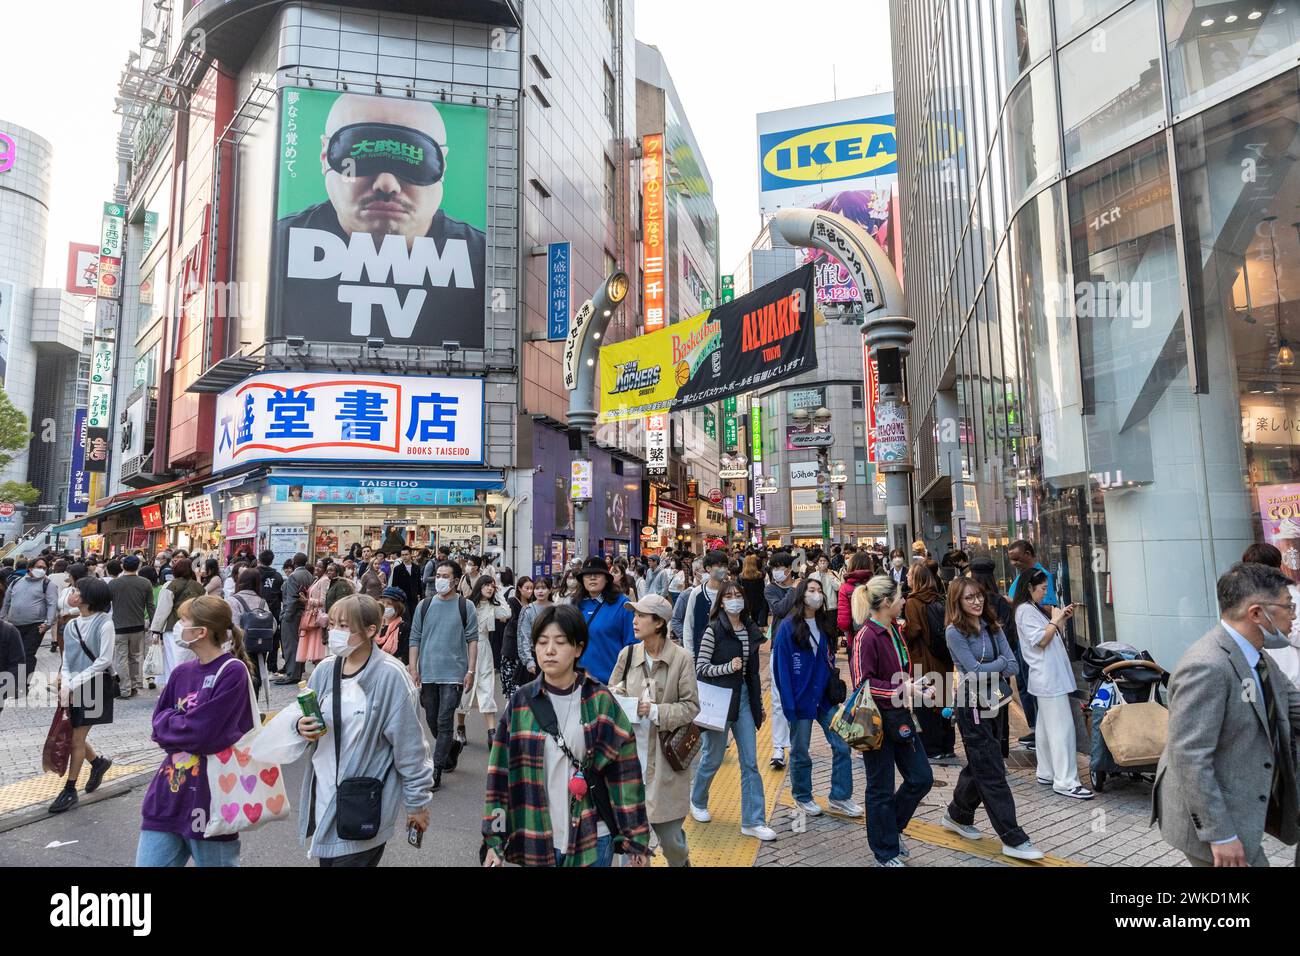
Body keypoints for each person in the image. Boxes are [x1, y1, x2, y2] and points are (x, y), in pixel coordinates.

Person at [273, 93, 487, 345]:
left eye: (411, 158)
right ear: (324, 156)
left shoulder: (485, 262)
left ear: (443, 165)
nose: (386, 184)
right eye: (363, 155)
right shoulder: (275, 250)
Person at [266, 594, 433, 866]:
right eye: (332, 624)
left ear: (370, 630)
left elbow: (411, 747)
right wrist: (300, 726)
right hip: (324, 799)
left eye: (343, 626)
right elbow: (300, 714)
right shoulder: (325, 670)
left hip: (362, 804)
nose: (334, 632)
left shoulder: (391, 676)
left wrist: (417, 804)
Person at [1153, 562, 1300, 867]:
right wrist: (1220, 835)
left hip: (1241, 806)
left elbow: (1294, 704)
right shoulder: (1207, 666)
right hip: (1211, 823)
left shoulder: (1257, 657)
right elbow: (1189, 756)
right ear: (1256, 613)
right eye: (1288, 606)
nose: (1294, 615)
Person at [482, 604, 651, 867]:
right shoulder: (521, 702)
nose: (549, 650)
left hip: (592, 837)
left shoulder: (599, 700)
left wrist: (636, 840)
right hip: (536, 835)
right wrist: (494, 839)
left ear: (578, 649)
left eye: (560, 642)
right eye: (542, 642)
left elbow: (625, 774)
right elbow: (499, 775)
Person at [136, 596, 257, 866]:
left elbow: (205, 734)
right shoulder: (181, 672)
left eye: (182, 620)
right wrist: (183, 725)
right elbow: (157, 726)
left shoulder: (232, 671)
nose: (178, 626)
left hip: (212, 799)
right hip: (166, 798)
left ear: (201, 631)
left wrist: (176, 723)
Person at [942, 578, 1043, 861]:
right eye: (969, 598)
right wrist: (995, 666)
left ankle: (958, 814)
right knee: (992, 771)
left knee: (984, 761)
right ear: (957, 602)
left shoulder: (992, 625)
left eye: (979, 596)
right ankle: (1013, 838)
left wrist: (988, 667)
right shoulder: (954, 632)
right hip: (971, 706)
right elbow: (974, 672)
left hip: (996, 700)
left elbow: (1013, 665)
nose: (976, 602)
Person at [608, 593, 700, 867]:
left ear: (659, 622)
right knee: (634, 847)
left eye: (641, 616)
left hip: (665, 763)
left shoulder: (682, 658)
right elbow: (611, 692)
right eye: (634, 615)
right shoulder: (627, 654)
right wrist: (619, 696)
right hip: (629, 758)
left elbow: (691, 706)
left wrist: (655, 710)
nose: (634, 621)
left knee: (671, 840)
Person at [850, 575, 934, 865]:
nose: (903, 601)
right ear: (886, 602)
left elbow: (899, 673)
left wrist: (913, 686)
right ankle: (884, 852)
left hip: (900, 715)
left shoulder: (894, 629)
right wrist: (902, 688)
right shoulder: (866, 636)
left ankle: (891, 830)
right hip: (875, 721)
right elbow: (862, 685)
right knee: (880, 787)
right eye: (900, 597)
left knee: (921, 778)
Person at [691, 579, 774, 841]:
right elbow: (700, 667)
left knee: (750, 761)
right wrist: (727, 667)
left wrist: (758, 703)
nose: (734, 600)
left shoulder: (749, 629)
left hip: (744, 698)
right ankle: (697, 800)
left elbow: (752, 673)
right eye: (728, 596)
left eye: (738, 595)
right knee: (713, 757)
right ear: (721, 602)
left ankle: (753, 820)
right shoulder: (713, 630)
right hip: (719, 700)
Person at [773, 578, 862, 820]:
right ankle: (802, 796)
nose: (817, 594)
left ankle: (840, 796)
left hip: (824, 698)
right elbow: (781, 669)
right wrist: (788, 704)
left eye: (819, 590)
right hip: (800, 700)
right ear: (801, 596)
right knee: (801, 750)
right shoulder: (788, 627)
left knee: (842, 744)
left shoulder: (824, 624)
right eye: (811, 590)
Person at [1012, 569, 1090, 798]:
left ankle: (1046, 771)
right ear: (1029, 587)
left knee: (1047, 728)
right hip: (1047, 678)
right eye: (1043, 588)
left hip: (1048, 676)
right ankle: (1065, 780)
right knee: (1061, 729)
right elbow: (1041, 640)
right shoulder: (1025, 611)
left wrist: (1060, 619)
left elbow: (1049, 635)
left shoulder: (1031, 609)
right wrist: (1055, 620)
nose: (1045, 593)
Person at [49, 577, 118, 814]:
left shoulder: (105, 623)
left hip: (96, 685)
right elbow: (67, 659)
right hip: (74, 685)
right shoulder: (71, 625)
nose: (72, 594)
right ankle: (98, 763)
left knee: (76, 738)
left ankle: (70, 789)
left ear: (88, 598)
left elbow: (104, 660)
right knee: (72, 731)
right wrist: (66, 682)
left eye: (77, 591)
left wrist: (73, 683)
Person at [408, 560, 478, 789]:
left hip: (454, 674)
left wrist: (470, 671)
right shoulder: (424, 605)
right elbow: (415, 637)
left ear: (455, 581)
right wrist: (413, 667)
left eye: (445, 576)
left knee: (444, 720)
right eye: (438, 575)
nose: (440, 579)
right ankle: (452, 747)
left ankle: (436, 769)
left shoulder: (466, 606)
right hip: (428, 672)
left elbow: (472, 640)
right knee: (431, 719)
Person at [900, 561, 955, 761]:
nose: (907, 577)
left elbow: (914, 630)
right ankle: (948, 745)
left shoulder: (913, 601)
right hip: (943, 659)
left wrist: (902, 629)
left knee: (926, 702)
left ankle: (932, 748)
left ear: (917, 579)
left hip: (923, 659)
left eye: (910, 575)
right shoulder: (939, 597)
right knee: (944, 701)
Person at [1007, 540, 1055, 750]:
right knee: (1024, 685)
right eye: (1011, 559)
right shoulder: (1021, 577)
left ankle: (1041, 730)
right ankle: (1035, 728)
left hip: (1034, 641)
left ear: (1028, 553)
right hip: (1020, 640)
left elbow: (1049, 609)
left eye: (1017, 558)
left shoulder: (1042, 577)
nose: (1014, 563)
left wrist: (1015, 605)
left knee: (1032, 685)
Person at [457, 574, 510, 747]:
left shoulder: (493, 606)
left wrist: (500, 594)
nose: (490, 588)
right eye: (487, 585)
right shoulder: (467, 604)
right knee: (465, 689)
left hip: (485, 649)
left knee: (487, 688)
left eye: (492, 586)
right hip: (466, 648)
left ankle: (491, 733)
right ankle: (460, 728)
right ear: (479, 586)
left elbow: (507, 613)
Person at [1242, 543, 1300, 687]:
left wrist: (1277, 628)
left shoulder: (1290, 595)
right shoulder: (1245, 595)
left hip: (1289, 676)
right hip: (1257, 675)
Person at [574, 557, 636, 685]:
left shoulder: (623, 605)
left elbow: (633, 645)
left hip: (611, 682)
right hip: (579, 682)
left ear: (607, 578)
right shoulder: (575, 604)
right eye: (587, 575)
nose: (592, 578)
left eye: (597, 574)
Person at [763, 551, 799, 769]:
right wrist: (794, 589)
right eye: (773, 567)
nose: (776, 571)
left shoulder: (802, 585)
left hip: (800, 647)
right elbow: (779, 609)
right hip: (779, 646)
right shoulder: (771, 589)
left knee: (797, 696)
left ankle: (796, 744)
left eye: (779, 567)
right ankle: (778, 747)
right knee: (777, 699)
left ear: (789, 568)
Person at [1, 555, 56, 695]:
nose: (42, 570)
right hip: (14, 625)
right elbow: (6, 602)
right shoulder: (16, 582)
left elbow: (52, 604)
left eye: (44, 568)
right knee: (13, 655)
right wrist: (2, 618)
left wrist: (48, 623)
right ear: (30, 568)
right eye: (39, 567)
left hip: (35, 626)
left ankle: (22, 686)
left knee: (27, 655)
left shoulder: (48, 584)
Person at [150, 559, 205, 683]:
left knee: (172, 661)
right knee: (190, 661)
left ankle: (174, 686)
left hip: (173, 628)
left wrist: (156, 630)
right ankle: (188, 686)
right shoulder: (199, 587)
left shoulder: (169, 586)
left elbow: (162, 610)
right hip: (194, 629)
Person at [109, 555, 156, 700]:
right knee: (135, 657)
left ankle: (125, 689)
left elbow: (106, 605)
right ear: (138, 566)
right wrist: (154, 624)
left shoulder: (113, 584)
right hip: (138, 626)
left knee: (121, 658)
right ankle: (135, 685)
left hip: (119, 626)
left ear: (122, 566)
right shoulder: (145, 583)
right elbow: (150, 606)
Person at [227, 569, 273, 699]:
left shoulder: (233, 600)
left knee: (237, 683)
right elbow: (272, 625)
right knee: (254, 682)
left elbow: (231, 629)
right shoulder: (262, 601)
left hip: (238, 649)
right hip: (259, 650)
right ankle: (253, 708)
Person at [274, 553, 315, 685]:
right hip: (304, 613)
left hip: (292, 615)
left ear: (294, 562)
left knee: (291, 645)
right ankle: (298, 669)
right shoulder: (310, 576)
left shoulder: (293, 576)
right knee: (300, 643)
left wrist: (286, 616)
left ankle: (292, 674)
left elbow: (292, 600)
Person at [682, 550, 730, 657]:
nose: (723, 569)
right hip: (702, 652)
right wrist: (690, 654)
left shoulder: (731, 591)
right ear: (708, 568)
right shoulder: (697, 593)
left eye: (725, 566)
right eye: (719, 566)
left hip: (726, 652)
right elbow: (689, 624)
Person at [500, 575, 534, 697]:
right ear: (519, 588)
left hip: (525, 649)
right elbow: (512, 621)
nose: (530, 591)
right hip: (511, 648)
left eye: (531, 588)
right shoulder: (512, 601)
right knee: (511, 682)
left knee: (523, 683)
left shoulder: (532, 604)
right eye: (527, 588)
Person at [515, 576, 552, 684]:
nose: (540, 591)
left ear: (550, 590)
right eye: (537, 588)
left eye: (544, 588)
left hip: (552, 655)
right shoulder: (528, 610)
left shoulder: (556, 608)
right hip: (534, 656)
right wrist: (529, 661)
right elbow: (523, 637)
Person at [297, 560, 331, 671]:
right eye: (316, 565)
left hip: (317, 618)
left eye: (320, 566)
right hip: (312, 615)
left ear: (325, 569)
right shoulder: (317, 579)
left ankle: (319, 673)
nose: (317, 568)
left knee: (318, 650)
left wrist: (307, 600)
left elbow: (323, 601)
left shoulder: (325, 580)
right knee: (314, 649)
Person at [808, 553, 843, 630]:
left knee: (831, 629)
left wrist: (830, 575)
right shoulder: (812, 575)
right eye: (820, 561)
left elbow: (838, 587)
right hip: (817, 607)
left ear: (828, 562)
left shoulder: (833, 573)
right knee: (818, 629)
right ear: (817, 563)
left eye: (825, 561)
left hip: (831, 607)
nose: (823, 563)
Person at [376, 587, 410, 659]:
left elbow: (405, 655)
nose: (385, 606)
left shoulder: (404, 628)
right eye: (383, 602)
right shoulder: (376, 624)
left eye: (389, 604)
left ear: (398, 607)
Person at [739, 554, 768, 629]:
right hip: (758, 601)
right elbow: (763, 588)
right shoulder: (760, 576)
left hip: (746, 602)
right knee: (756, 619)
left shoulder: (741, 577)